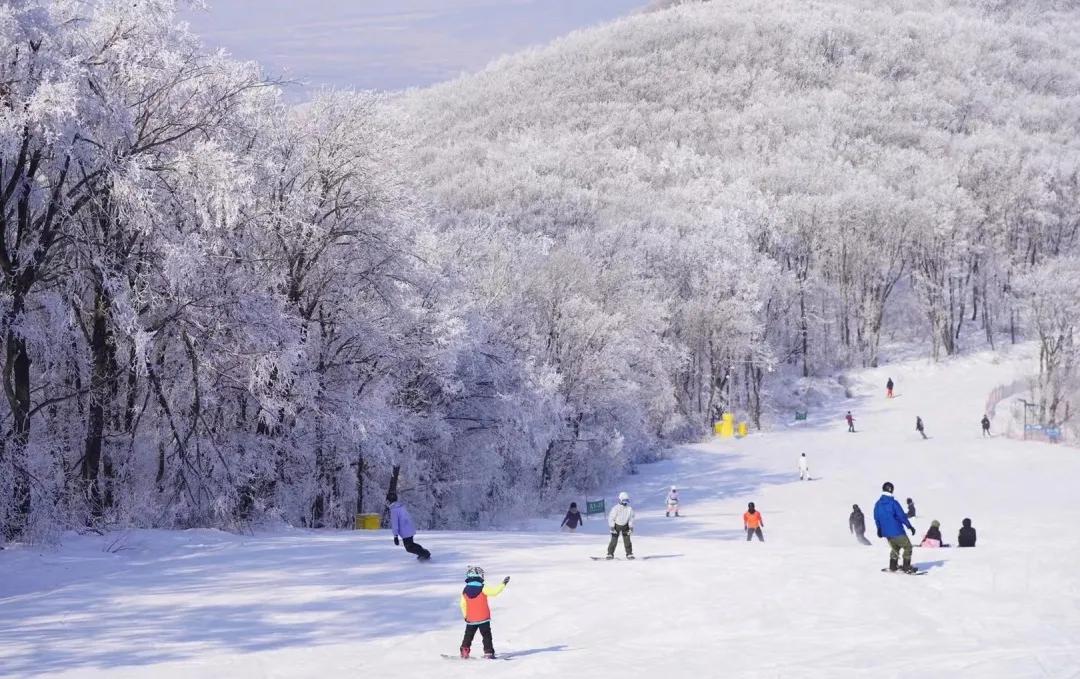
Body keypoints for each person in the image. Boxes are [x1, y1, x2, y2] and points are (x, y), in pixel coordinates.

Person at [459, 565, 510, 659]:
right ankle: (488, 652)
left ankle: (464, 650)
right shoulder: (483, 588)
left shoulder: (465, 590)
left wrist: (465, 616)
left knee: (468, 635)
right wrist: (503, 584)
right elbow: (494, 592)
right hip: (483, 618)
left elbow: (462, 604)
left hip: (471, 618)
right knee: (486, 635)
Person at [873, 481, 917, 573]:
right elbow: (901, 516)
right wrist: (910, 526)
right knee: (908, 547)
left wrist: (879, 529)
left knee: (895, 547)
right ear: (890, 489)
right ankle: (906, 567)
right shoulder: (893, 503)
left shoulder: (877, 504)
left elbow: (877, 517)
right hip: (897, 531)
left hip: (886, 533)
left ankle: (893, 565)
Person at [388, 492, 430, 560]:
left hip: (405, 530)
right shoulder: (401, 506)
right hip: (409, 527)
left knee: (409, 547)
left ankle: (425, 554)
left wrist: (395, 536)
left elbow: (395, 524)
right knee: (411, 545)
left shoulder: (394, 510)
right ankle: (423, 553)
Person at [606, 491, 635, 559]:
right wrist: (612, 526)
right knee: (614, 540)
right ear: (620, 500)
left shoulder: (629, 509)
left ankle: (629, 553)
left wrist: (631, 527)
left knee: (627, 540)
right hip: (616, 526)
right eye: (624, 500)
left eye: (627, 500)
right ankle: (610, 553)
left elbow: (631, 518)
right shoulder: (616, 508)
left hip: (626, 526)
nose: (625, 502)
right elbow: (611, 517)